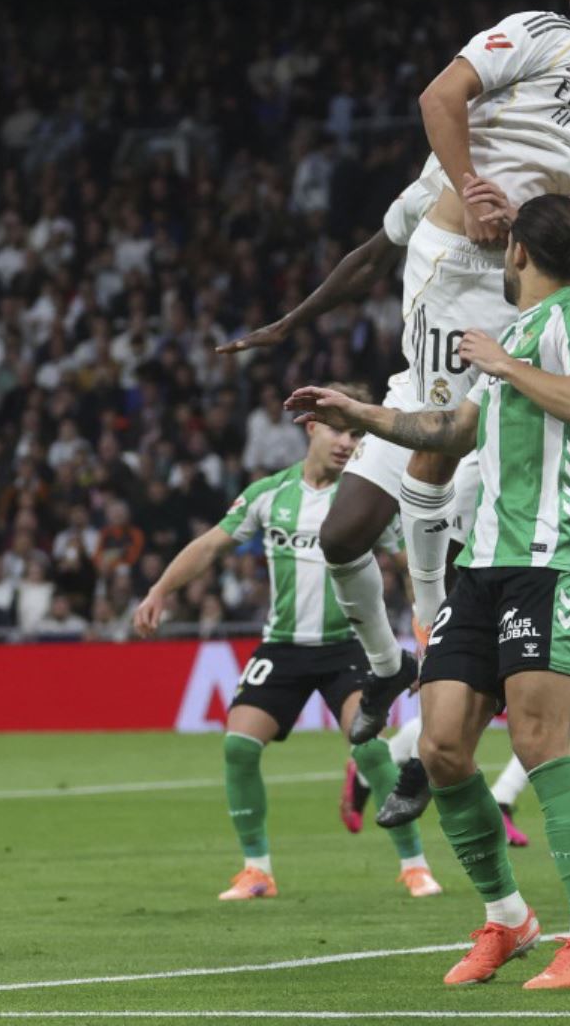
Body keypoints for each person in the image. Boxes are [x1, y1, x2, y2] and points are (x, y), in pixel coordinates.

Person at [220, 0, 570, 748]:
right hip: (459, 275)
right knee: (433, 455)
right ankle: (427, 625)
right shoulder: (543, 31)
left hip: (531, 282)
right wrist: (471, 187)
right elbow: (440, 95)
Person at [285, 196, 570, 989]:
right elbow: (452, 433)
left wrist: (507, 366)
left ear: (518, 251)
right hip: (480, 567)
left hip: (549, 561)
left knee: (540, 743)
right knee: (443, 746)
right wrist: (363, 414)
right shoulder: (513, 332)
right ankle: (508, 920)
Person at [132, 383, 439, 902]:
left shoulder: (366, 499)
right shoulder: (269, 494)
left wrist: (425, 621)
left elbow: (412, 561)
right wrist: (161, 589)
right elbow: (211, 545)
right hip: (283, 646)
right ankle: (257, 870)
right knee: (237, 747)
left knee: (366, 749)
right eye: (340, 430)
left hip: (349, 647)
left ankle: (414, 865)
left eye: (357, 435)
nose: (347, 443)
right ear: (311, 425)